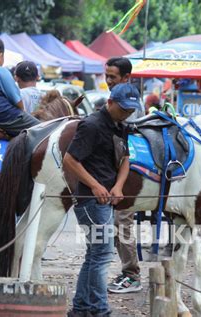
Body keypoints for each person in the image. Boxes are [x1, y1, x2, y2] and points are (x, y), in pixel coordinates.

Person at [64, 83, 140, 316]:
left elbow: (125, 159)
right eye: (123, 108)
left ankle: (81, 308)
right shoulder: (92, 125)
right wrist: (96, 185)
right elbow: (70, 160)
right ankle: (99, 309)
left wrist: (118, 186)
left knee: (95, 254)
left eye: (130, 110)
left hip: (107, 198)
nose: (127, 113)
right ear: (110, 103)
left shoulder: (122, 126)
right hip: (89, 200)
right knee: (102, 254)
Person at [105, 57, 143, 294]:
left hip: (130, 176)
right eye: (106, 76)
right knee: (117, 225)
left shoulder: (129, 106)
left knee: (123, 223)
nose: (108, 81)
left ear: (126, 78)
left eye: (113, 77)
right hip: (115, 173)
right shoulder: (115, 101)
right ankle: (127, 271)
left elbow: (126, 146)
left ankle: (132, 275)